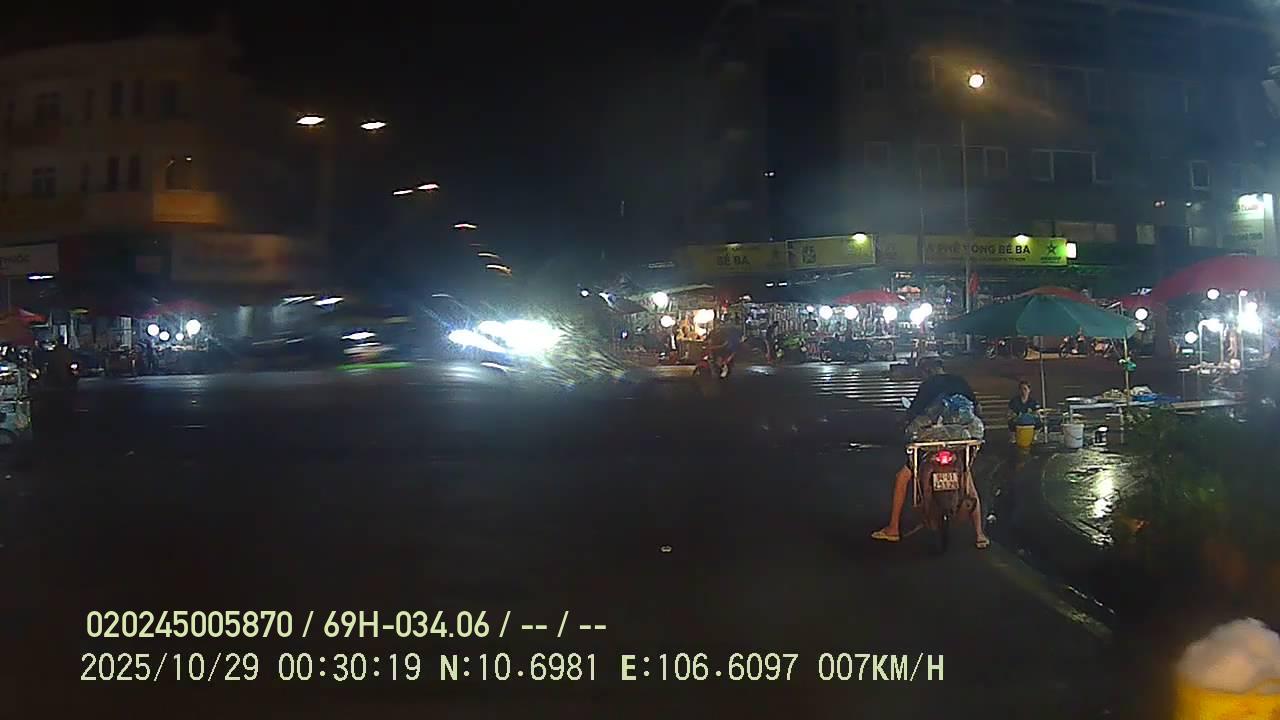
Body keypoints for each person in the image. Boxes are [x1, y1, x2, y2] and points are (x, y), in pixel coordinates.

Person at [872, 359, 989, 548]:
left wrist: (904, 424)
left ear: (927, 371)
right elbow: (977, 409)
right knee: (967, 479)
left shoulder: (928, 385)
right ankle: (979, 534)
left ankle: (893, 528)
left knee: (902, 478)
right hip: (958, 442)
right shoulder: (959, 381)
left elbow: (914, 414)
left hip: (931, 443)